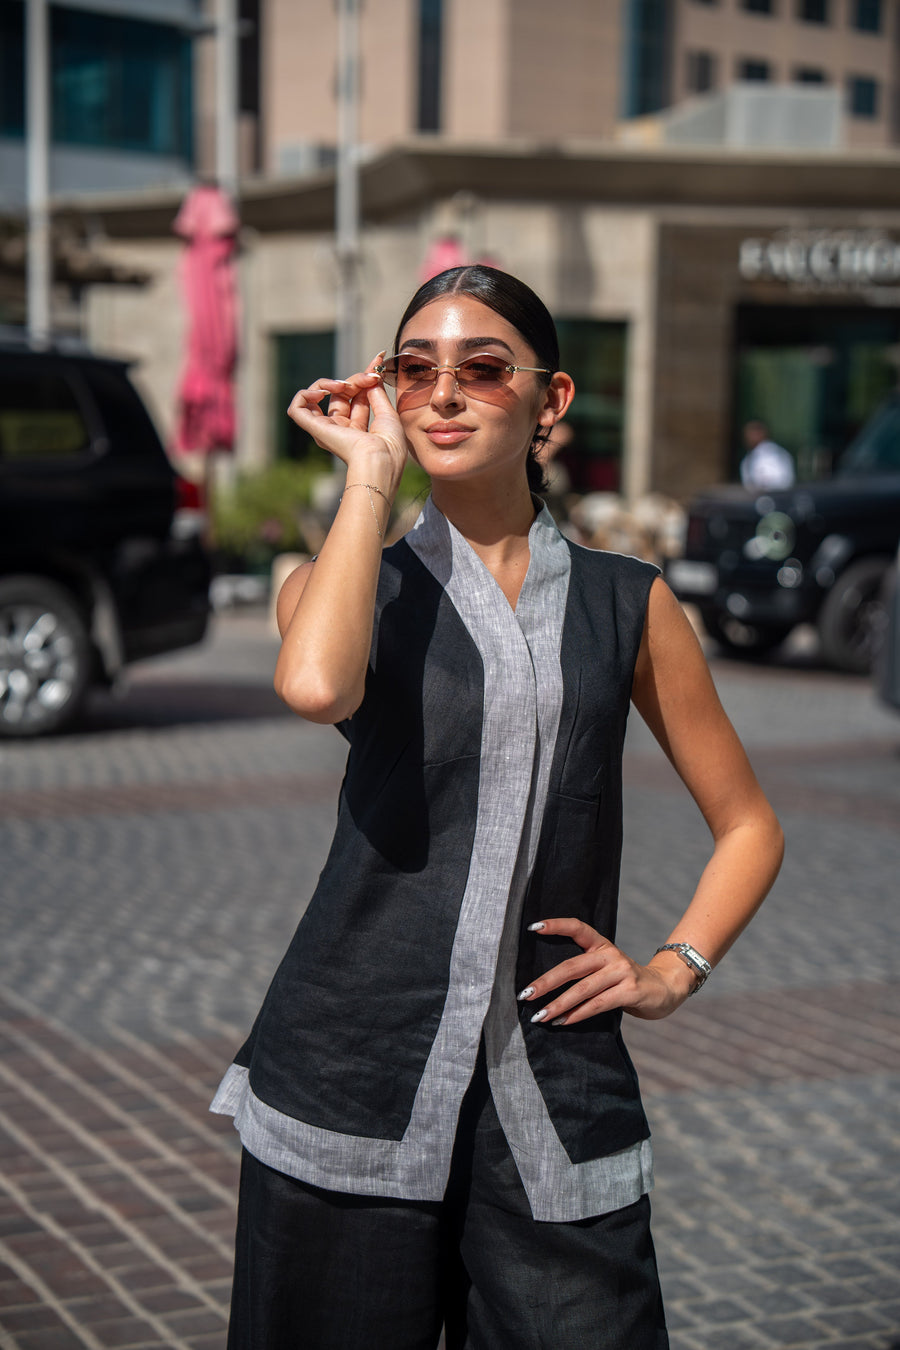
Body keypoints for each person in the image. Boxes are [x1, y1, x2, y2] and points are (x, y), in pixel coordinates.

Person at [212, 265, 784, 1350]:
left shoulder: (629, 604)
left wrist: (672, 970)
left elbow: (750, 824)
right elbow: (317, 686)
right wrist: (371, 477)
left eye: (481, 370)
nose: (443, 395)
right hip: (349, 1077)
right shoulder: (350, 582)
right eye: (412, 371)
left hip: (555, 1092)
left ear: (549, 402)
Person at [739, 420, 796, 489]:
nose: (748, 436)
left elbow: (780, 483)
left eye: (752, 432)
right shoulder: (749, 457)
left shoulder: (773, 454)